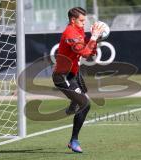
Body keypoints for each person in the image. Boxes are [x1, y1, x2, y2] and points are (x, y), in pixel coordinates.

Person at [52, 7, 105, 153]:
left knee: (83, 95)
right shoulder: (70, 34)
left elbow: (89, 50)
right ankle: (73, 141)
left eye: (84, 20)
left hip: (73, 74)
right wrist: (94, 37)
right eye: (81, 20)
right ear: (72, 20)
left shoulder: (78, 30)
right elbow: (85, 52)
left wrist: (97, 38)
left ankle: (73, 102)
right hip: (62, 76)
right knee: (85, 104)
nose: (84, 23)